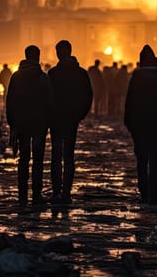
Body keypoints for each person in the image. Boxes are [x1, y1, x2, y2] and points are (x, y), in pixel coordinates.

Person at [124, 45, 157, 204]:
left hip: (140, 123)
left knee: (142, 159)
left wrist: (128, 121)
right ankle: (154, 191)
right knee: (155, 158)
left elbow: (130, 101)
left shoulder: (138, 76)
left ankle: (144, 192)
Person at [6, 45, 53, 205]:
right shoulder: (43, 78)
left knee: (23, 158)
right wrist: (48, 122)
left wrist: (12, 124)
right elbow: (49, 103)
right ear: (37, 57)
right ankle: (37, 194)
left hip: (21, 123)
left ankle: (22, 194)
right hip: (39, 124)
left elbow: (10, 102)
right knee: (38, 159)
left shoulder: (16, 77)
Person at [48, 40, 93, 204]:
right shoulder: (80, 73)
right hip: (70, 119)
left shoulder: (53, 73)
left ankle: (57, 191)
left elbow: (47, 98)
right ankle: (65, 191)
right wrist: (80, 114)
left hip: (58, 119)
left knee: (57, 155)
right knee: (67, 156)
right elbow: (88, 95)